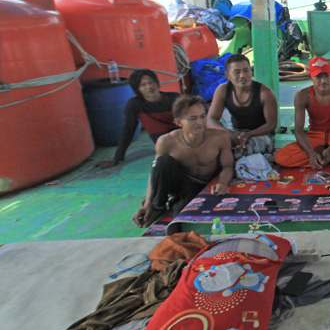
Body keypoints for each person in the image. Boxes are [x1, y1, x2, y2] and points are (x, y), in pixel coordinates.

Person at [132, 95, 234, 228]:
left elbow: (228, 166)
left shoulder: (220, 137)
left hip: (208, 186)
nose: (200, 122)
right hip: (182, 186)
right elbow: (156, 173)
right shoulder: (166, 141)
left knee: (190, 220)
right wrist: (148, 204)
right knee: (163, 162)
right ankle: (157, 207)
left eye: (203, 116)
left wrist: (222, 182)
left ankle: (176, 205)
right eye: (193, 118)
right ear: (178, 122)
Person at [95, 69, 179, 168]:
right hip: (163, 145)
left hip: (182, 139)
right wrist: (117, 158)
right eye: (143, 85)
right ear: (137, 89)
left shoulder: (175, 98)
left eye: (150, 82)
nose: (149, 87)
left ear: (156, 83)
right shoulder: (135, 105)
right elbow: (128, 130)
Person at [208, 53, 279, 158]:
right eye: (237, 72)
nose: (243, 75)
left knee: (242, 150)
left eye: (246, 70)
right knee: (212, 147)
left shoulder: (265, 92)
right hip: (236, 132)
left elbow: (272, 124)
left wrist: (248, 135)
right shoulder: (222, 90)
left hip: (260, 135)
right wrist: (229, 133)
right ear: (227, 75)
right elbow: (211, 119)